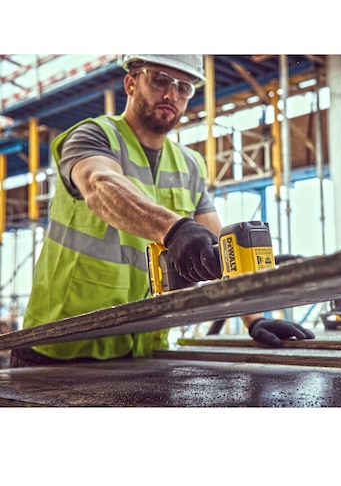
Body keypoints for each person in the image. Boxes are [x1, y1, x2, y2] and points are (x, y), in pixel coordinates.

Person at [10, 54, 314, 367]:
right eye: (159, 80)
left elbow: (220, 251)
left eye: (184, 88)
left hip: (143, 348)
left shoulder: (189, 164)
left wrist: (254, 318)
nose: (171, 95)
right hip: (61, 347)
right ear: (130, 83)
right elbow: (100, 184)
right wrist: (174, 229)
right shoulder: (93, 136)